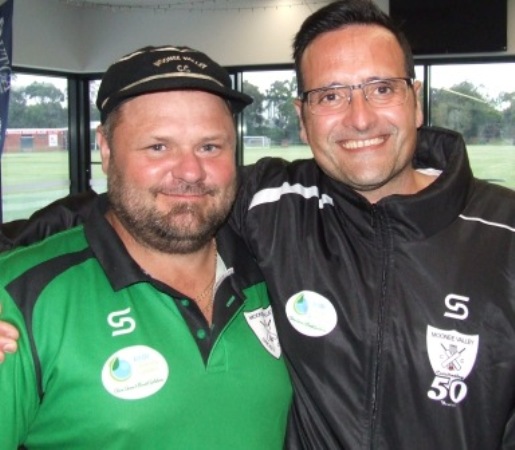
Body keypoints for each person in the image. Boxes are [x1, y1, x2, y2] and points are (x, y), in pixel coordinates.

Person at [1, 1, 515, 448]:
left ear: (415, 98)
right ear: (302, 114)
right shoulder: (272, 205)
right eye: (330, 95)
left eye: (381, 88)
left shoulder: (504, 231)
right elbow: (117, 207)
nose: (360, 118)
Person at [0, 44, 292, 449]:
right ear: (105, 149)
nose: (190, 171)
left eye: (210, 146)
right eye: (159, 146)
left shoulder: (275, 270)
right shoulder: (20, 297)